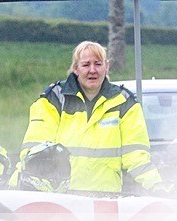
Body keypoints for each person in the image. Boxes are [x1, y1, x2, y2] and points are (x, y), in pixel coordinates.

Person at [21, 41, 161, 194]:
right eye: (86, 65)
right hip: (63, 197)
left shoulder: (124, 102)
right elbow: (34, 149)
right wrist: (14, 185)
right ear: (75, 68)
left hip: (108, 198)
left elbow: (136, 155)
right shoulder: (54, 99)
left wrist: (157, 186)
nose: (92, 70)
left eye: (98, 64)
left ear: (107, 67)